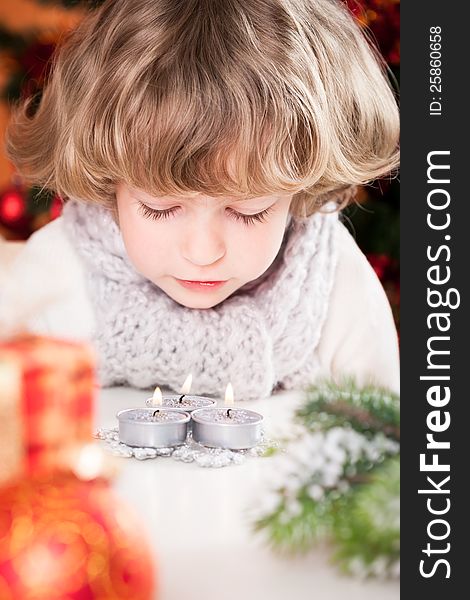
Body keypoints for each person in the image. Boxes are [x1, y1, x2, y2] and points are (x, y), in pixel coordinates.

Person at [3, 0, 400, 400]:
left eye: (248, 211)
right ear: (111, 186)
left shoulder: (334, 289)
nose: (203, 251)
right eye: (160, 208)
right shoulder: (58, 271)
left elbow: (388, 442)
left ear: (299, 189)